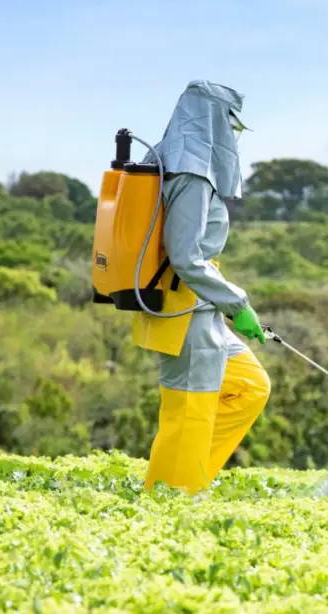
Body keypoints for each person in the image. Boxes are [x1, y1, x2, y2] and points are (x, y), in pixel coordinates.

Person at [132, 79, 270, 495]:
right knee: (189, 413)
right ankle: (173, 498)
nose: (233, 135)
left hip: (197, 307)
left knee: (249, 386)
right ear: (213, 119)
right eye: (232, 125)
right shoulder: (190, 169)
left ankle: (184, 480)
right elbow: (185, 256)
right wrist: (237, 302)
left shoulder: (168, 155)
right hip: (182, 308)